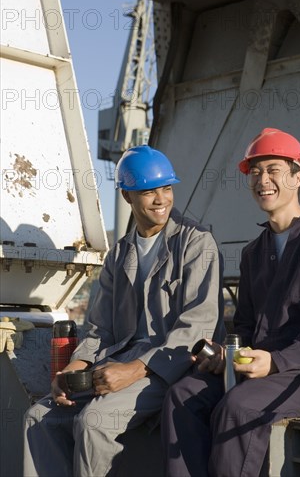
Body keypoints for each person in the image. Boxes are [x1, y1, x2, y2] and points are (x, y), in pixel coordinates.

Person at [161, 128, 300, 477]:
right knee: (181, 396)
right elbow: (244, 326)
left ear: (298, 176)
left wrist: (275, 361)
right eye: (255, 172)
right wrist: (227, 355)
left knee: (238, 407)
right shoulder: (254, 252)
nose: (262, 180)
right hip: (261, 369)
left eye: (273, 169)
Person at [23, 145, 225, 477]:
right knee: (39, 418)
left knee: (94, 421)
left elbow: (196, 328)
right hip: (119, 362)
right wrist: (76, 365)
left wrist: (135, 370)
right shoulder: (120, 254)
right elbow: (100, 327)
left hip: (171, 367)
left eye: (167, 188)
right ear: (128, 196)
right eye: (149, 191)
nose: (161, 199)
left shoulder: (195, 243)